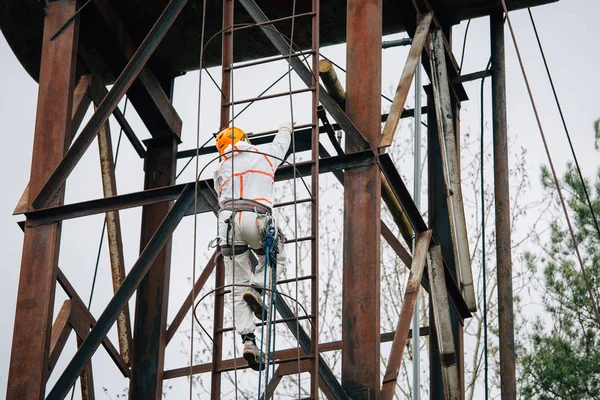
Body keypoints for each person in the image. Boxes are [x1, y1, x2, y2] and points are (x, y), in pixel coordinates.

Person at [213, 122, 293, 370]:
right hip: (254, 214)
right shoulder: (265, 156)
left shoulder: (221, 168)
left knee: (236, 285)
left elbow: (219, 193)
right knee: (276, 255)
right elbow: (282, 144)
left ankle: (248, 340)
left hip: (226, 222)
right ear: (245, 138)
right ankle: (258, 290)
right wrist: (286, 128)